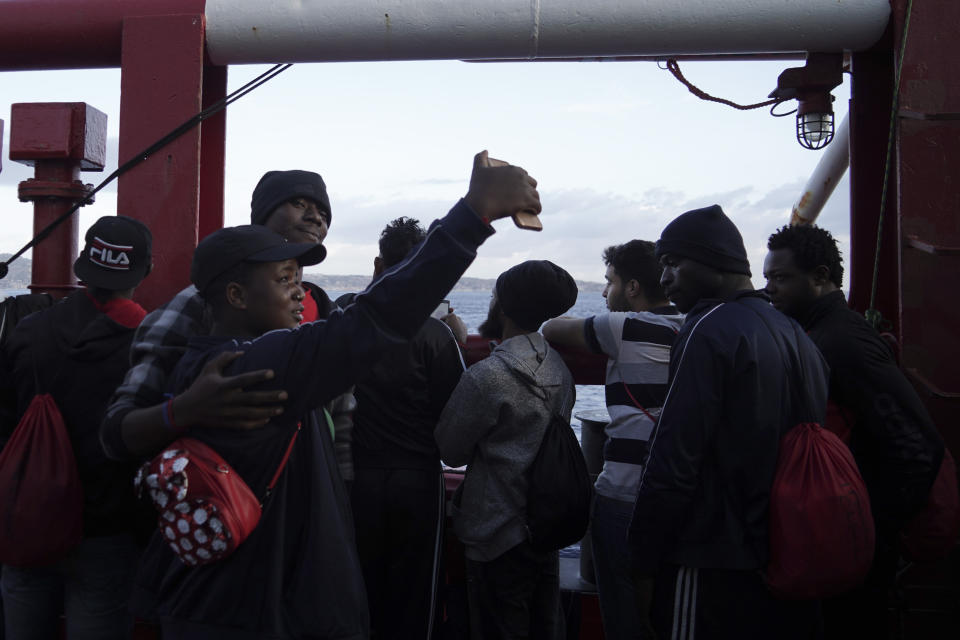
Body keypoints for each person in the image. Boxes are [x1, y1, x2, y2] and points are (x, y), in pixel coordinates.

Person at [133, 151, 542, 638]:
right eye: (284, 280)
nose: (296, 293)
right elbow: (377, 317)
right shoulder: (264, 363)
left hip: (216, 593)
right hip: (260, 605)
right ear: (236, 296)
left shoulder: (211, 358)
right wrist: (471, 215)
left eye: (299, 280)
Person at [627, 204, 829, 639]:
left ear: (712, 261)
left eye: (672, 263)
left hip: (711, 556)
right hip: (779, 547)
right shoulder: (794, 334)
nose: (664, 279)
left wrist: (641, 565)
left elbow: (673, 461)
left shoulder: (708, 329)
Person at [101, 170, 355, 483]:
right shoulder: (199, 303)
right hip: (220, 506)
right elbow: (116, 431)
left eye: (324, 213)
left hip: (308, 506)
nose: (316, 218)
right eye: (300, 203)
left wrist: (341, 492)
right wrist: (184, 410)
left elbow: (341, 420)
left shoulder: (326, 312)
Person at [764, 223, 944, 640]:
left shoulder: (844, 342)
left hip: (849, 541)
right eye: (767, 277)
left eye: (781, 277)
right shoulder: (819, 332)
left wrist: (870, 528)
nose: (769, 287)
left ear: (821, 276)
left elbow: (920, 446)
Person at [0, 216, 153, 640]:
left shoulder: (29, 331)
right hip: (108, 529)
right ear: (145, 272)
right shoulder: (148, 343)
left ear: (84, 264)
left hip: (26, 519)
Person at [542, 240, 682, 640]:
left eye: (610, 283)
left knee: (622, 614)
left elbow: (552, 328)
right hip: (676, 494)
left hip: (624, 494)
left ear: (633, 288)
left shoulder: (621, 327)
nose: (604, 293)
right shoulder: (692, 325)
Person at [435, 260, 578, 640]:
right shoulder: (560, 369)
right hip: (545, 523)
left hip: (495, 531)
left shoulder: (489, 376)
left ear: (503, 306)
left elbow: (451, 450)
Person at [339, 217, 467, 640]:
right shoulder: (435, 336)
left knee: (352, 585)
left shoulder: (342, 314)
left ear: (378, 264)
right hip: (416, 480)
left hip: (349, 474)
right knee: (416, 596)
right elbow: (455, 423)